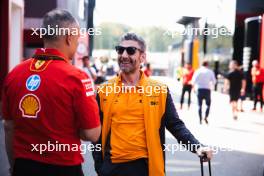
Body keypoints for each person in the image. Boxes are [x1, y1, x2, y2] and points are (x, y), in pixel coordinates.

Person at [92, 33, 213, 176]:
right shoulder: (105, 90)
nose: (124, 55)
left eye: (130, 50)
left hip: (146, 168)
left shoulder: (159, 90)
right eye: (120, 50)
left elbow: (175, 125)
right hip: (111, 168)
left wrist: (197, 147)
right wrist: (100, 166)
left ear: (142, 57)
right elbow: (97, 133)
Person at [1, 9, 101, 176]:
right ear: (69, 38)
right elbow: (92, 134)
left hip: (24, 166)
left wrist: (14, 166)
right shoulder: (77, 78)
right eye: (77, 39)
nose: (77, 45)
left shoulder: (14, 74)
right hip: (63, 168)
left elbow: (9, 126)